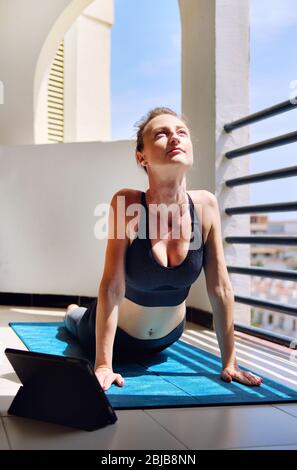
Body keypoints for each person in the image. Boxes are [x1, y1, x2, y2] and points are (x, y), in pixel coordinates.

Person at [64, 107, 263, 392]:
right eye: (162, 134)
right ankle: (73, 311)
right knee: (74, 320)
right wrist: (104, 365)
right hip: (116, 335)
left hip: (168, 337)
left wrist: (229, 362)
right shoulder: (128, 204)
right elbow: (112, 286)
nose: (174, 138)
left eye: (181, 132)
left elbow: (220, 288)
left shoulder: (205, 206)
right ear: (141, 157)